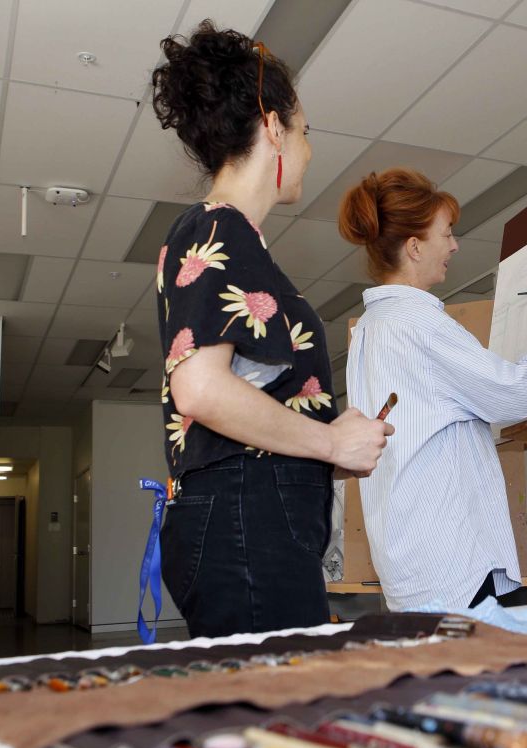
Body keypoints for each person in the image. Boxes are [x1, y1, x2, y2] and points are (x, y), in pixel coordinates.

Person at [150, 22, 392, 638]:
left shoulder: (234, 241)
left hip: (248, 518)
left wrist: (327, 439)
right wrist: (332, 446)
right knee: (276, 715)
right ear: (275, 127)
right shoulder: (217, 229)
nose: (309, 150)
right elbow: (200, 391)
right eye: (305, 131)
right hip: (245, 522)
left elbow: (244, 407)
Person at [339, 168, 527, 612]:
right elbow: (517, 395)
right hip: (451, 562)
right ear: (414, 247)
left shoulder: (370, 329)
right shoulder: (419, 322)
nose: (454, 245)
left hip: (413, 562)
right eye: (446, 234)